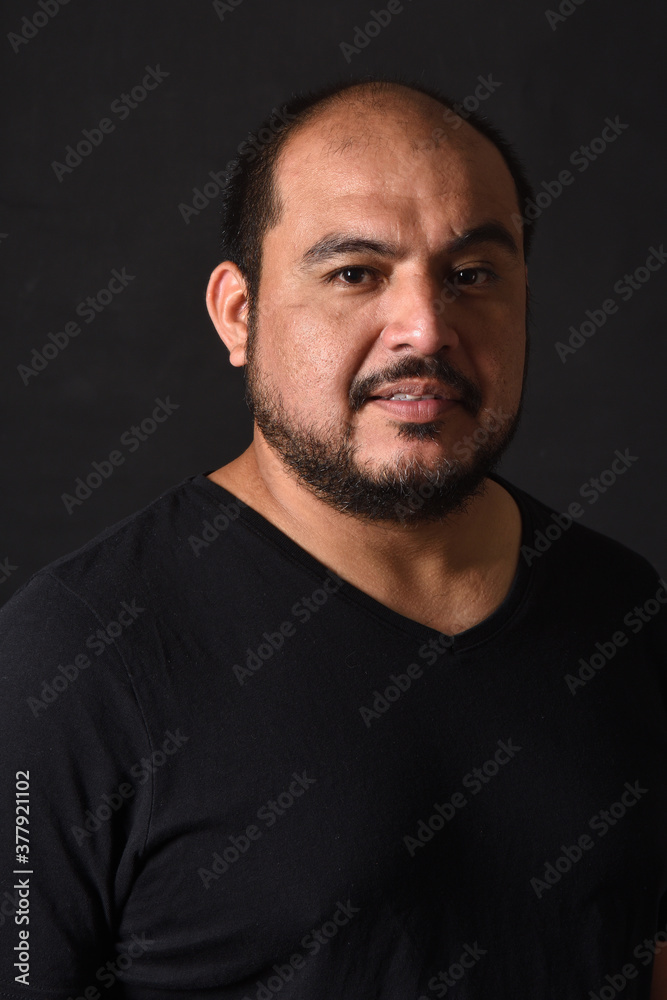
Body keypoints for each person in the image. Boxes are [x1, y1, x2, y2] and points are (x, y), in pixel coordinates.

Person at [1, 75, 666, 1000]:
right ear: (239, 312)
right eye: (354, 273)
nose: (426, 328)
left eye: (472, 274)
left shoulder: (625, 611)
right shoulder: (73, 659)